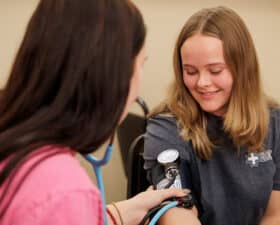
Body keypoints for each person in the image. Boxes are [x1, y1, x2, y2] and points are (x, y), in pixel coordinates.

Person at [0, 0, 189, 224]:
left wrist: (113, 214)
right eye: (140, 64)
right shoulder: (64, 193)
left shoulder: (18, 150)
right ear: (111, 77)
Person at [143, 6, 280, 225]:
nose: (202, 82)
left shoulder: (275, 122)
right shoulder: (165, 125)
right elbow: (176, 214)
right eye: (191, 71)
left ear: (242, 68)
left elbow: (276, 215)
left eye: (215, 71)